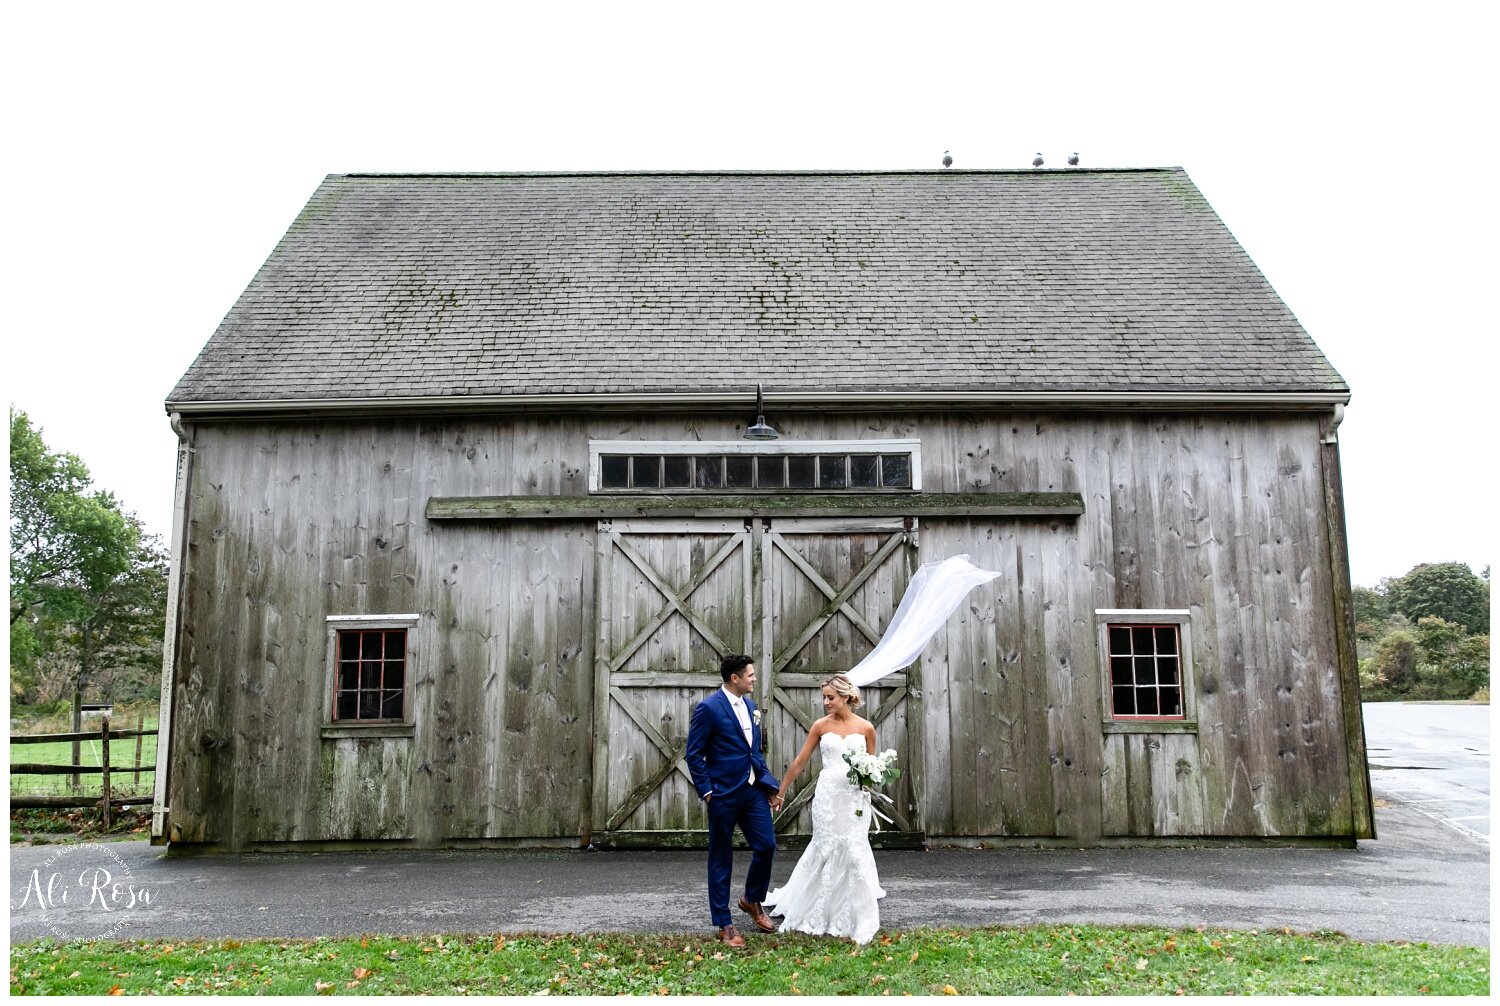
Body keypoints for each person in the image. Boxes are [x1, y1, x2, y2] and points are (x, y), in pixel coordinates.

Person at [761, 673, 886, 945]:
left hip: (854, 798)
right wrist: (780, 791)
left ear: (845, 697)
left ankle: (854, 909)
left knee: (853, 847)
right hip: (828, 794)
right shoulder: (820, 726)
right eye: (824, 698)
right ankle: (818, 905)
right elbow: (800, 762)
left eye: (830, 697)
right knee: (826, 844)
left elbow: (873, 766)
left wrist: (869, 782)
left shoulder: (866, 728)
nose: (826, 702)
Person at [685, 654, 784, 949]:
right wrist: (707, 791)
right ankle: (724, 922)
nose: (754, 679)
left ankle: (751, 899)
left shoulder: (752, 707)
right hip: (723, 794)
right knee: (720, 858)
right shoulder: (708, 708)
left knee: (766, 846)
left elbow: (754, 752)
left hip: (753, 791)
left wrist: (768, 786)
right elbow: (694, 753)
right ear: (734, 678)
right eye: (750, 675)